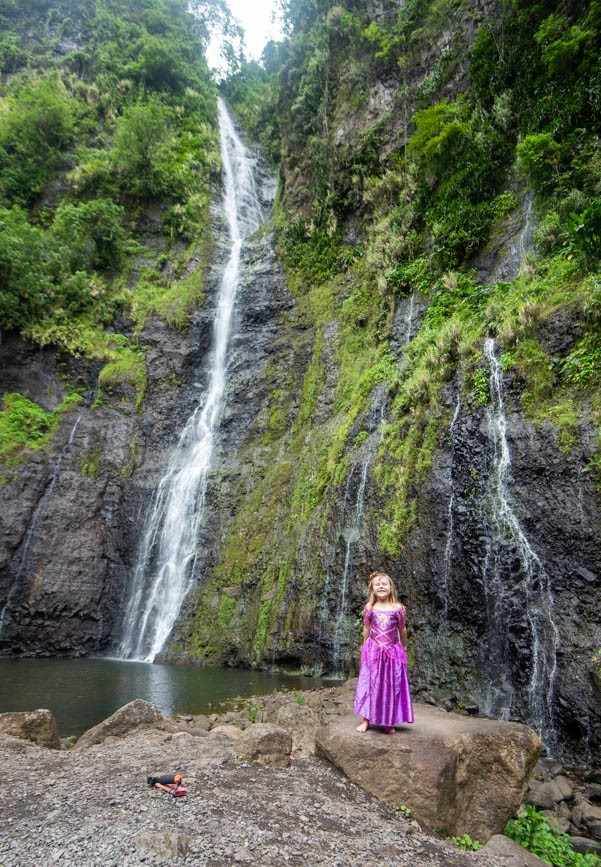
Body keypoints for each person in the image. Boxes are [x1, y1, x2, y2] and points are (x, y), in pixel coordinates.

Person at [354, 570, 414, 733]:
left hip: (391, 652)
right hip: (373, 651)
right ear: (372, 589)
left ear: (391, 587)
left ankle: (388, 722)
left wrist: (404, 646)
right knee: (370, 684)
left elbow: (402, 629)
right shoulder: (370, 608)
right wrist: (363, 645)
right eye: (377, 584)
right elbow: (366, 628)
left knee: (390, 685)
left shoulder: (398, 608)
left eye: (384, 584)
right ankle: (366, 720)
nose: (381, 586)